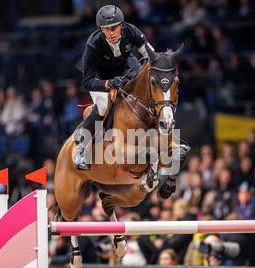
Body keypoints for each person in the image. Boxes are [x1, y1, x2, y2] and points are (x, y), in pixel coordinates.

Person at [73, 5, 189, 172]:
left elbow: (152, 57)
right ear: (101, 30)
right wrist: (108, 84)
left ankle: (168, 139)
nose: (111, 32)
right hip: (100, 76)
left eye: (114, 27)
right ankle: (81, 147)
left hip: (125, 68)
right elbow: (87, 81)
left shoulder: (132, 31)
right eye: (106, 29)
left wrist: (164, 66)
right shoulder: (94, 43)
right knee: (104, 105)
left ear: (122, 25)